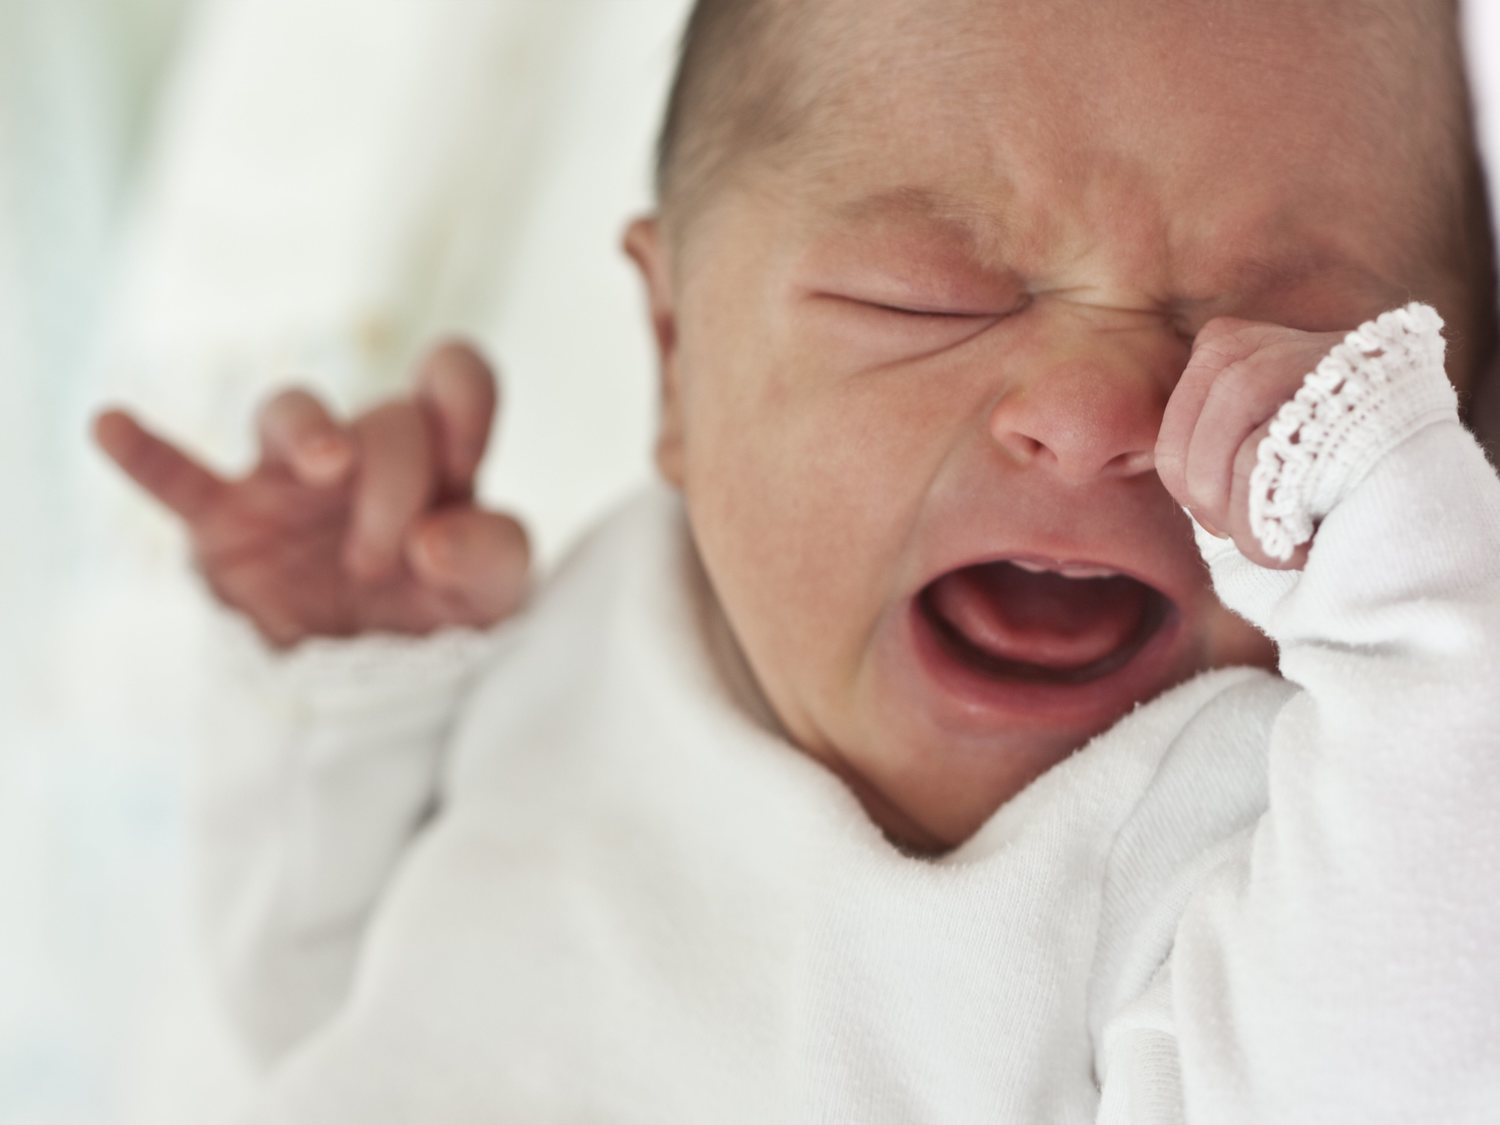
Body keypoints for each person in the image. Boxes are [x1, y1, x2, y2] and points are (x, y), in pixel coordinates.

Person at [93, 0, 1500, 1119]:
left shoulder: (1278, 811)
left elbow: (1394, 1073)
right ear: (674, 360)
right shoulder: (596, 621)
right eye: (925, 297)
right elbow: (300, 1011)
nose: (1087, 418)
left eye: (1277, 338)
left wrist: (1422, 612)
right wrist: (343, 690)